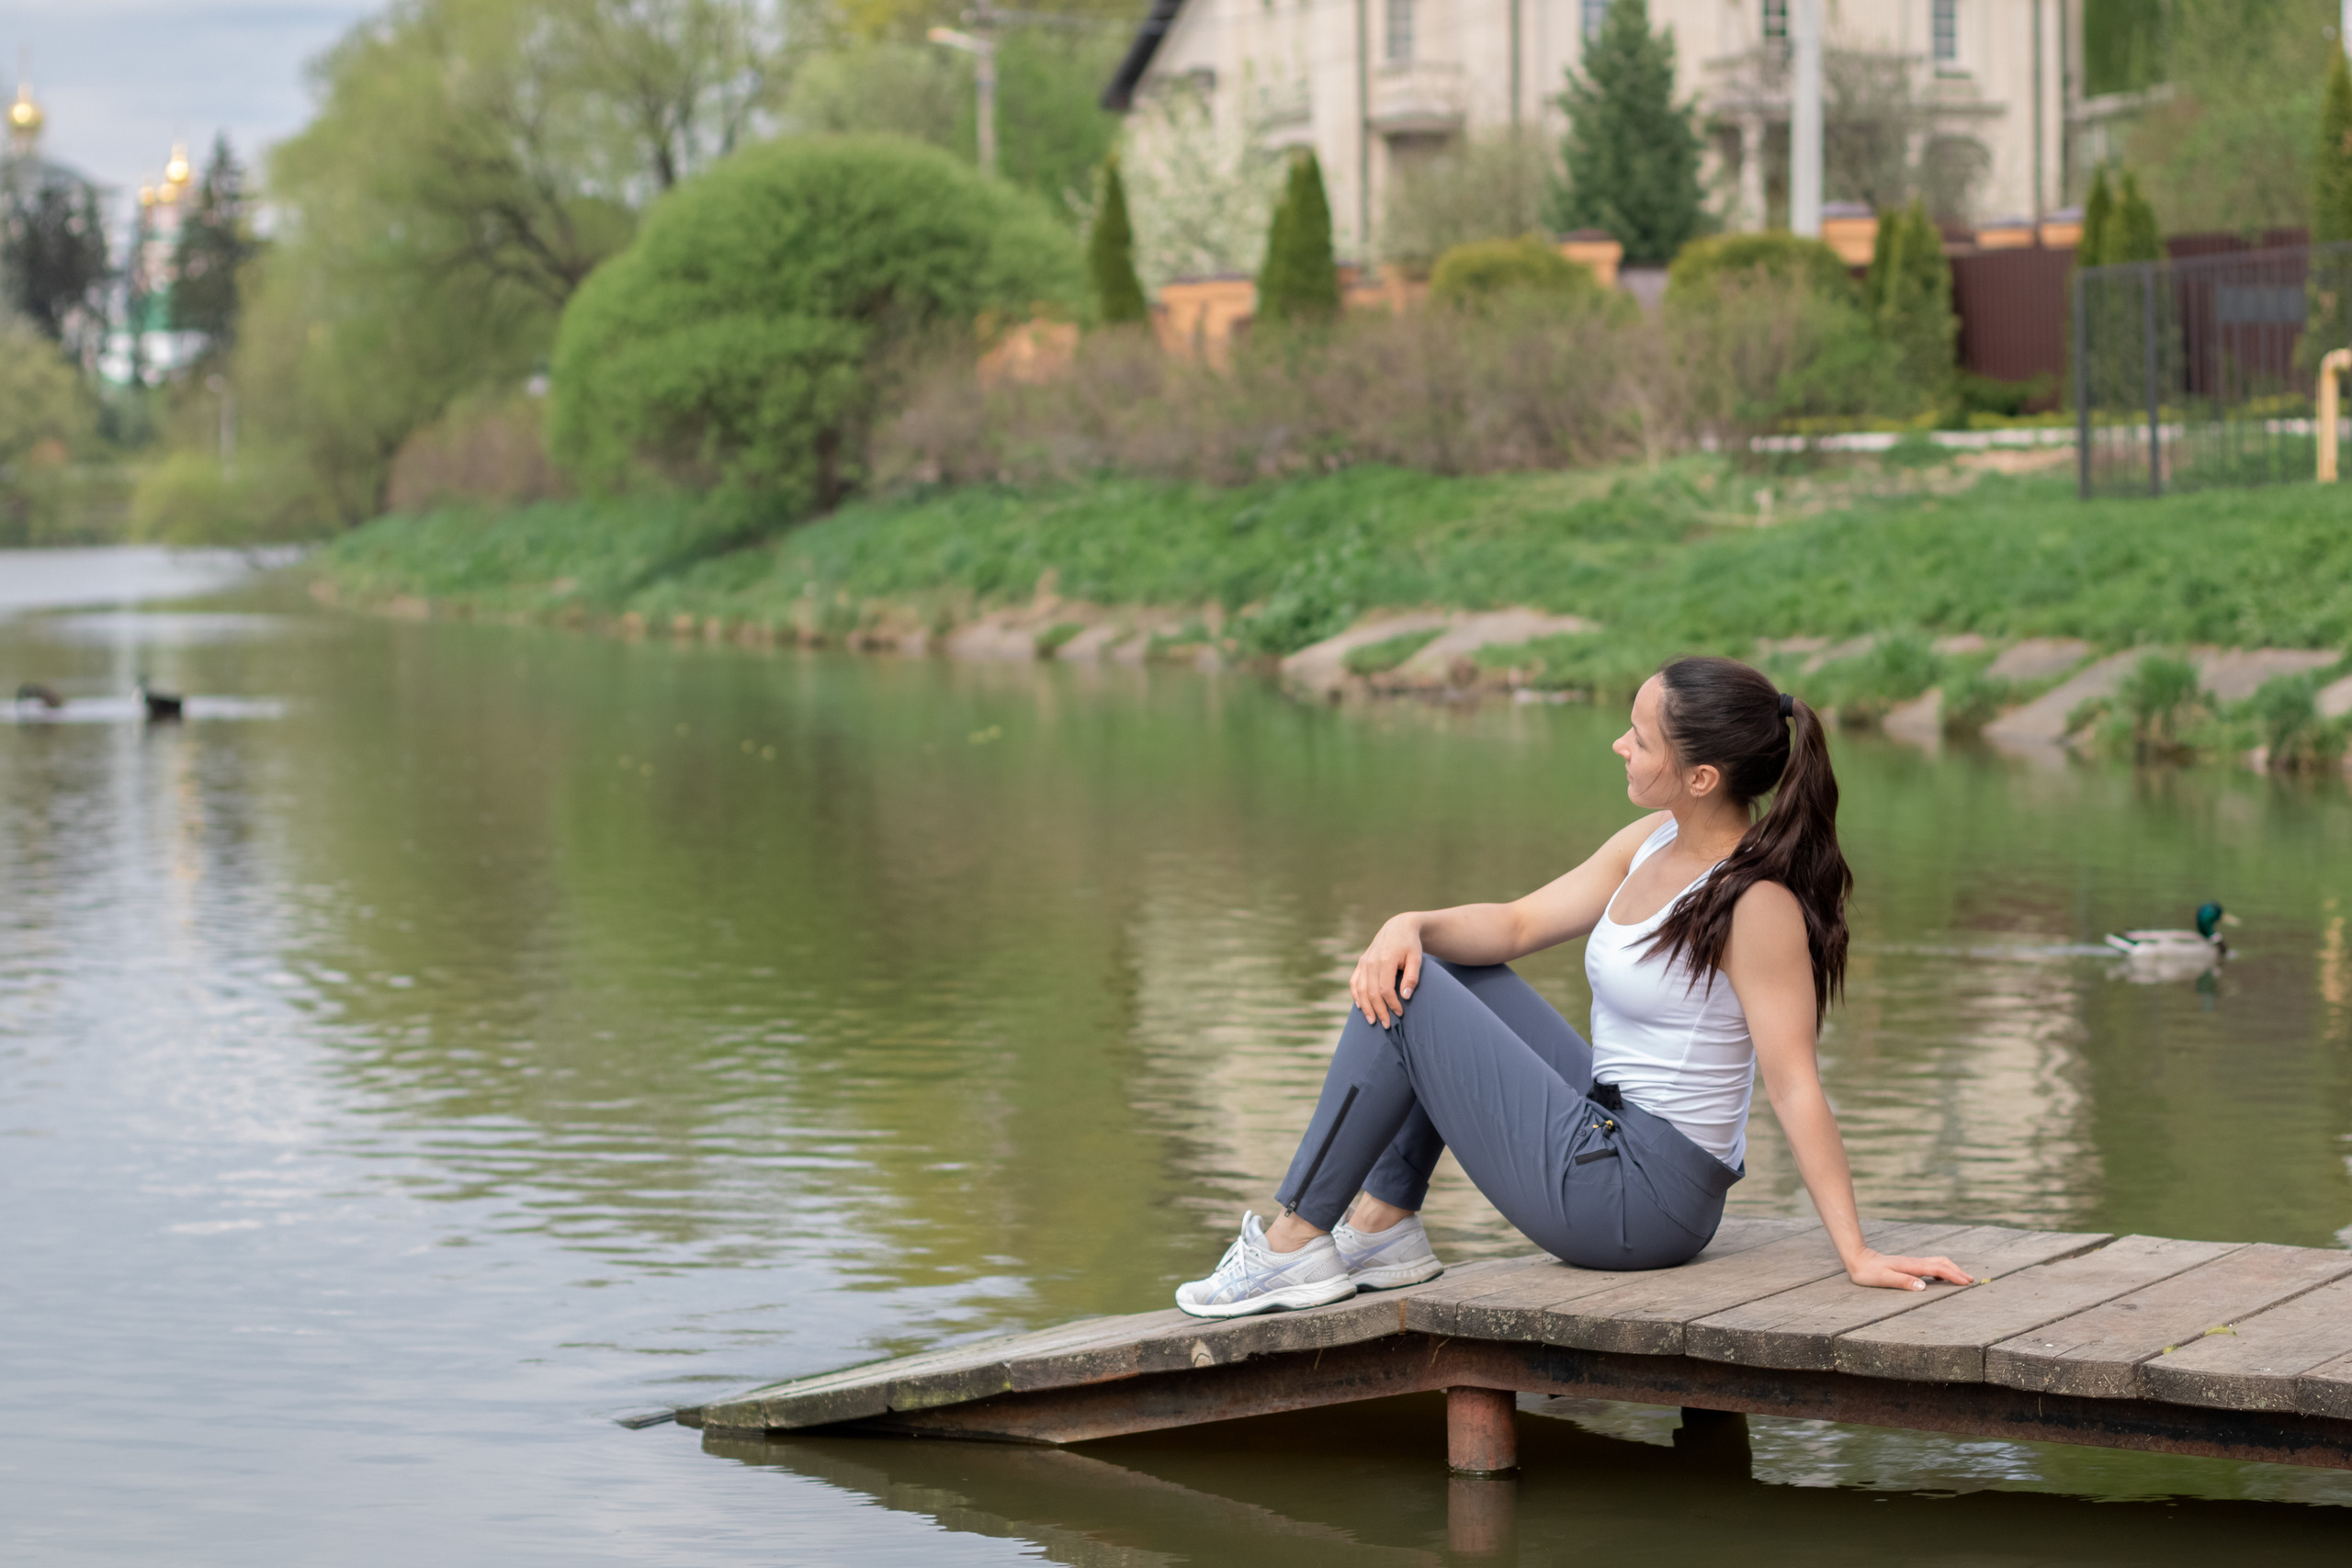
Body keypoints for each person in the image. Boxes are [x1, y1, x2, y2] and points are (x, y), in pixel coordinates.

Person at [1175, 655, 1971, 1317]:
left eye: (1641, 736)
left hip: (1639, 1202)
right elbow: (1518, 924)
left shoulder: (1753, 901)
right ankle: (1382, 1226)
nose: (1619, 744)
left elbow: (1796, 1086)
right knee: (1437, 963)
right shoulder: (1653, 839)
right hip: (1607, 1128)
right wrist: (1407, 921)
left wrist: (1857, 1252)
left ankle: (1292, 1241)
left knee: (1404, 998)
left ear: (1700, 776)